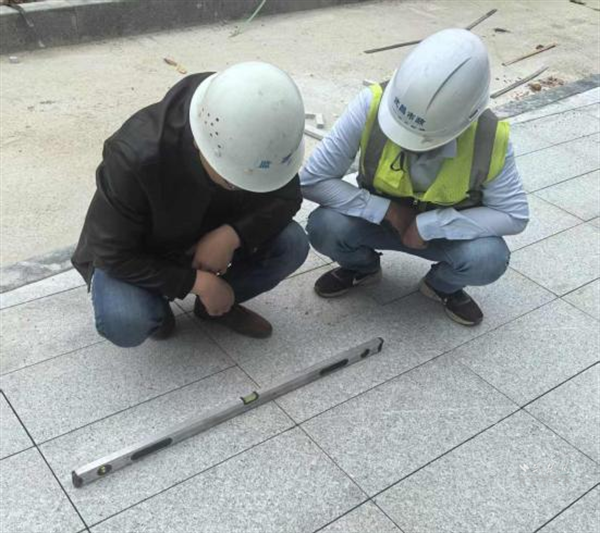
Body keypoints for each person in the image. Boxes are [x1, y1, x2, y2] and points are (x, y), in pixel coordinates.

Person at [301, 29, 529, 326]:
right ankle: (362, 268)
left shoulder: (490, 138)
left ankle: (441, 286)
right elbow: (311, 180)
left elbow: (514, 215)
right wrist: (388, 210)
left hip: (443, 235)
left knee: (489, 258)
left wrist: (430, 225)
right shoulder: (372, 104)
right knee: (325, 226)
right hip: (377, 222)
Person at [72, 61, 309, 347]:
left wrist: (232, 235)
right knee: (125, 319)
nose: (245, 187)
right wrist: (198, 283)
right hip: (143, 250)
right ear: (200, 144)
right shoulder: (135, 156)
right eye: (235, 180)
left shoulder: (263, 131)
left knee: (292, 243)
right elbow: (113, 252)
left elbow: (288, 196)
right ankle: (157, 313)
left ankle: (217, 307)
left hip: (209, 232)